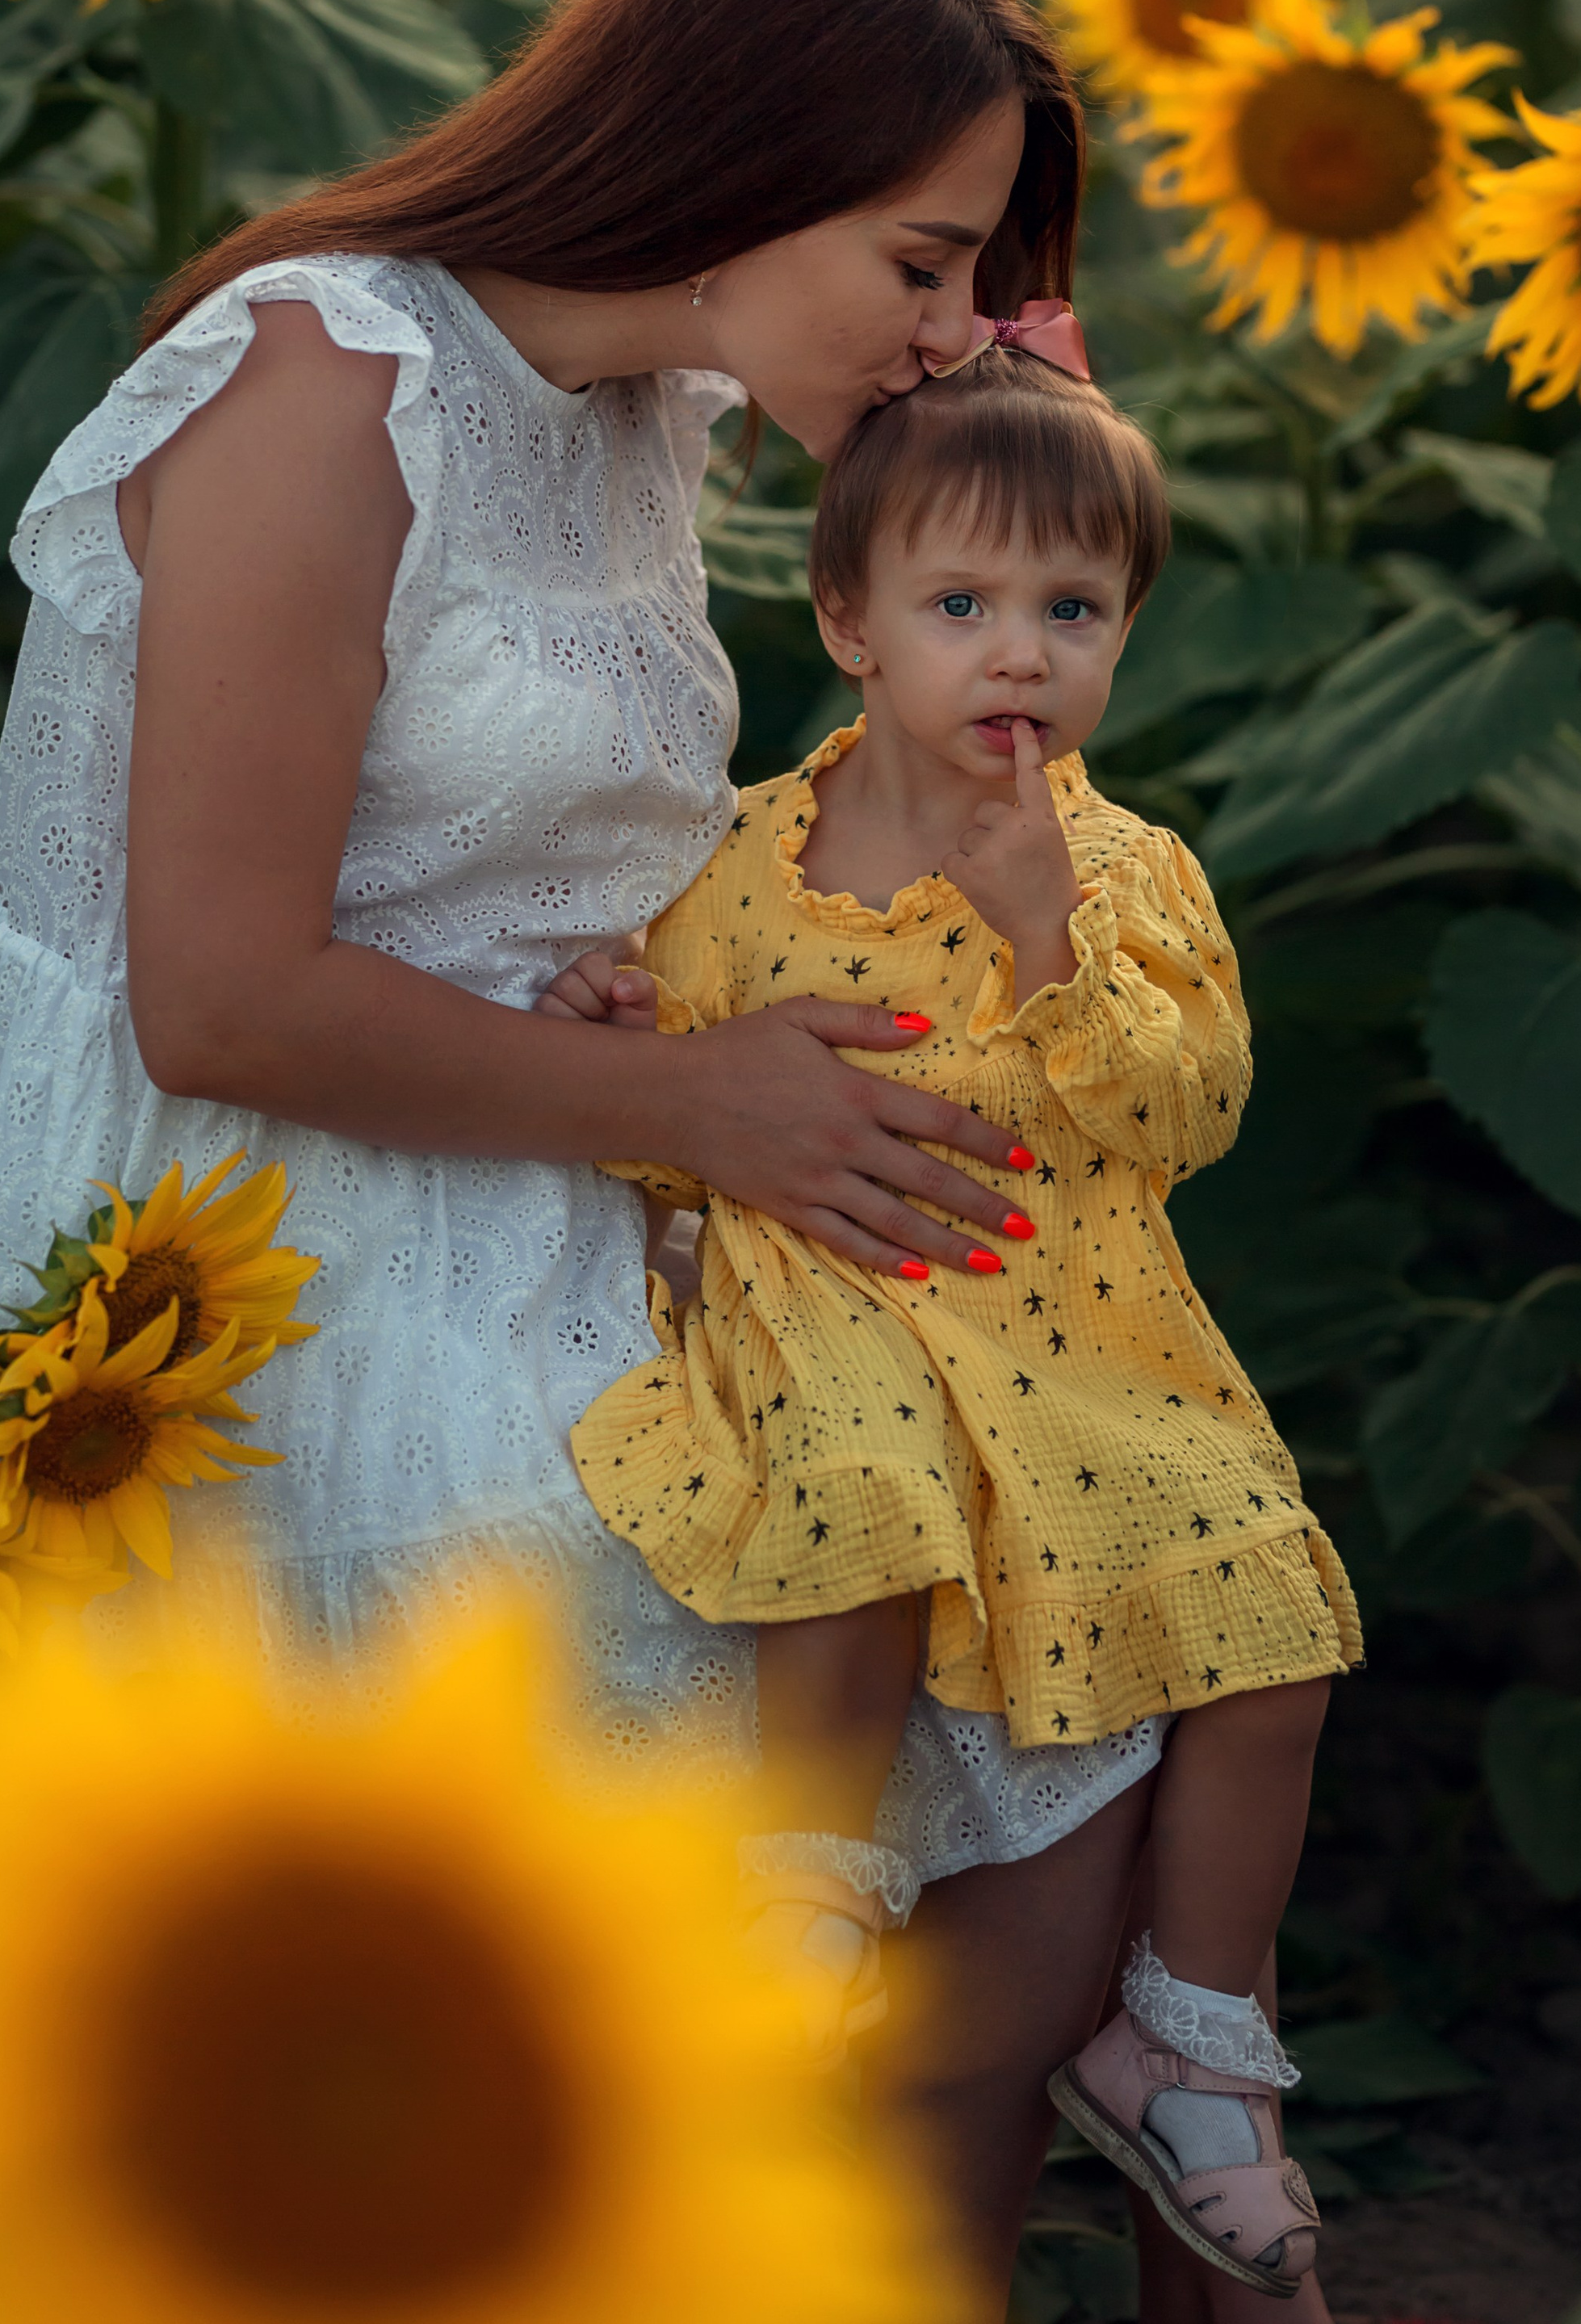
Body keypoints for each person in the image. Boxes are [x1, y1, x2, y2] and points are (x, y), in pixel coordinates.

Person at [0, 0, 1304, 2314]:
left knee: (1080, 1606)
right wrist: (715, 1115)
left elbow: (569, 854)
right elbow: (210, 992)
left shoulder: (649, 406)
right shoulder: (324, 381)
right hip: (227, 1207)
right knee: (755, 1656)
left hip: (549, 1121)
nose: (958, 327)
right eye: (928, 258)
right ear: (742, 169)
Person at [552, 341, 1363, 2301]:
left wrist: (1043, 941)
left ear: (1122, 637)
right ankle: (802, 1889)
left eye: (1069, 613)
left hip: (1085, 1345)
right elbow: (676, 1129)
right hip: (840, 1313)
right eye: (962, 606)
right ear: (847, 621)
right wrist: (616, 1043)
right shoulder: (742, 859)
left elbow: (1187, 1114)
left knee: (1278, 1617)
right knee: (857, 1498)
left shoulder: (1119, 871)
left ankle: (1186, 2042)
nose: (1017, 656)